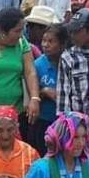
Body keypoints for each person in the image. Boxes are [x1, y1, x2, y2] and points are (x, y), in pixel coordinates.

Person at [30, 24, 67, 154]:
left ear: (62, 44)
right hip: (44, 120)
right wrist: (44, 92)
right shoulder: (38, 65)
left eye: (51, 41)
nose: (45, 45)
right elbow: (30, 95)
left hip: (64, 121)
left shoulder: (69, 63)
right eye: (44, 41)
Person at [57, 8, 89, 114]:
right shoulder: (68, 57)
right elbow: (63, 95)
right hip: (79, 118)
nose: (72, 35)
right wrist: (66, 119)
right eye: (71, 31)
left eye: (77, 32)